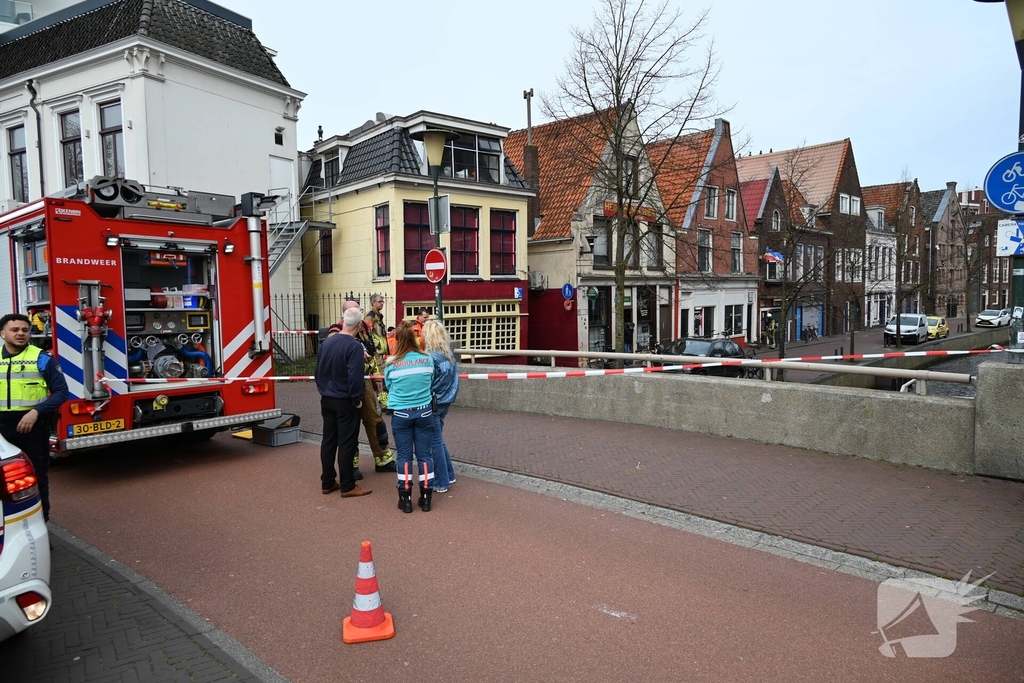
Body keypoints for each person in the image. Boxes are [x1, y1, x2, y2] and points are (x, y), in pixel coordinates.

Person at [0, 313, 70, 521]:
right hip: (1, 428)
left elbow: (61, 392)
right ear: (3, 333)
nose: (20, 334)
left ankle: (40, 526)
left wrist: (36, 412)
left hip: (32, 427)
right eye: (15, 330)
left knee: (37, 478)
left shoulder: (41, 358)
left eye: (25, 330)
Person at [330, 301, 396, 477]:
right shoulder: (336, 330)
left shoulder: (365, 329)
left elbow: (372, 352)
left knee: (376, 421)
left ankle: (383, 459)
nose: (360, 312)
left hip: (366, 381)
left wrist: (377, 377)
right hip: (346, 384)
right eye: (357, 310)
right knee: (350, 427)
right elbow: (335, 350)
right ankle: (351, 465)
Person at [314, 308, 372, 498]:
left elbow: (317, 371)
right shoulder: (354, 346)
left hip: (327, 398)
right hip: (345, 400)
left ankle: (328, 481)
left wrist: (323, 389)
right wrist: (356, 400)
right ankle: (348, 485)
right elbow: (354, 377)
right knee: (347, 442)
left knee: (328, 440)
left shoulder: (327, 343)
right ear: (359, 325)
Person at [383, 322, 435, 513]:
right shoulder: (427, 359)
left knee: (404, 456)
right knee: (425, 456)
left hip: (402, 413)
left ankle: (405, 500)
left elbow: (388, 385)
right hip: (425, 412)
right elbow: (430, 380)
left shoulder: (391, 363)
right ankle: (426, 497)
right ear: (415, 338)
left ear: (397, 340)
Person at [422, 320, 459, 494]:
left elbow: (427, 382)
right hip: (445, 401)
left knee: (434, 442)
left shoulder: (430, 357)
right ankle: (449, 474)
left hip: (433, 402)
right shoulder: (449, 354)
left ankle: (441, 480)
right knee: (438, 439)